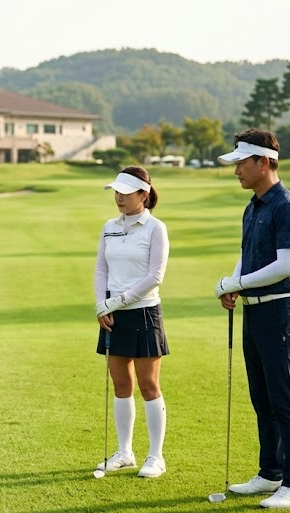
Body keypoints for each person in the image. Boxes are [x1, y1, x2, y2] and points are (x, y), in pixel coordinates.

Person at [214, 129, 290, 509]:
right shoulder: (253, 206)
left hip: (280, 311)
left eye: (242, 163)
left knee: (284, 397)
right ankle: (271, 472)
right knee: (262, 397)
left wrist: (237, 283)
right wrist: (234, 283)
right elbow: (248, 254)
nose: (236, 170)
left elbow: (285, 265)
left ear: (264, 162)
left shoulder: (287, 206)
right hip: (254, 310)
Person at [94, 166, 171, 478]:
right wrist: (102, 304)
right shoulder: (109, 227)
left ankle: (156, 456)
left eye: (126, 192)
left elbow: (155, 275)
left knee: (148, 385)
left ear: (144, 194)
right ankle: (125, 453)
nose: (119, 197)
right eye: (117, 192)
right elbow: (101, 269)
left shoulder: (155, 228)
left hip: (144, 312)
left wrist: (118, 300)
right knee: (121, 384)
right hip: (112, 314)